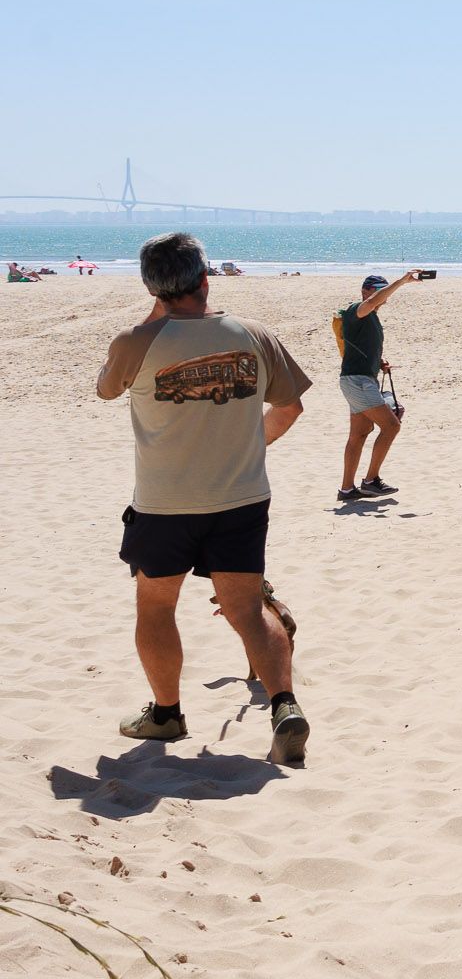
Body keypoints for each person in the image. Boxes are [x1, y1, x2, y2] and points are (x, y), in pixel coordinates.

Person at [93, 231, 311, 764]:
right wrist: (245, 447)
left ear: (152, 288)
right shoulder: (253, 334)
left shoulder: (134, 342)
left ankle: (166, 715)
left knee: (156, 606)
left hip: (165, 504)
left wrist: (154, 315)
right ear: (206, 278)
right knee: (247, 609)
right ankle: (284, 706)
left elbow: (105, 390)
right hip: (242, 498)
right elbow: (290, 409)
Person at [336, 270, 421, 501]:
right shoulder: (357, 309)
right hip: (358, 381)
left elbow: (362, 346)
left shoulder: (371, 317)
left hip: (359, 379)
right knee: (392, 426)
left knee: (359, 434)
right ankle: (371, 481)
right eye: (378, 291)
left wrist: (379, 362)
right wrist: (402, 281)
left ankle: (346, 489)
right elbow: (372, 302)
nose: (383, 297)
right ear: (365, 291)